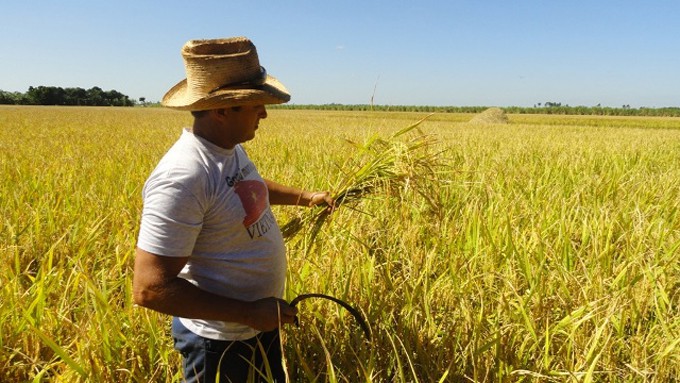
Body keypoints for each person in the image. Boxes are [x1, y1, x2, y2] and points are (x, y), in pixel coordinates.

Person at [132, 37, 333, 383]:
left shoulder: (226, 150)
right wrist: (248, 313)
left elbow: (248, 189)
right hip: (218, 342)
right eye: (255, 104)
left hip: (255, 324)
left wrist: (306, 196)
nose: (264, 113)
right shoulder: (183, 176)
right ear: (222, 110)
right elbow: (149, 287)